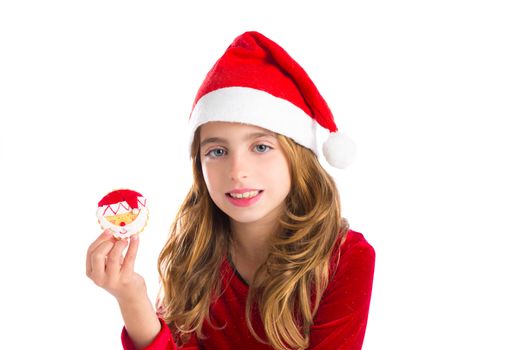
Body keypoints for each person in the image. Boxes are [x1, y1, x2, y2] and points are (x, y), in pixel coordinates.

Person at [86, 31, 376, 350]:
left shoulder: (345, 259)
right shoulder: (194, 253)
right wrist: (132, 297)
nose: (237, 172)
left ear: (298, 156)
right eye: (217, 152)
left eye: (261, 146)